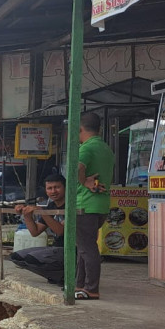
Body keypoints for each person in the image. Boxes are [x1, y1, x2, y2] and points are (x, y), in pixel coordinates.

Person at [75, 111, 114, 300]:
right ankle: (80, 285)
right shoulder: (106, 148)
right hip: (101, 205)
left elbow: (76, 169)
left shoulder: (85, 148)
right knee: (84, 246)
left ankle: (91, 288)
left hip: (86, 205)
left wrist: (85, 182)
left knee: (87, 248)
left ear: (79, 129)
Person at [10, 173, 66, 285]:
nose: (53, 191)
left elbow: (60, 231)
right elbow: (35, 232)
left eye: (57, 187)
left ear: (65, 187)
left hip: (71, 250)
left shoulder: (71, 205)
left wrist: (42, 212)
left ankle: (66, 276)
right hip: (56, 248)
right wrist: (26, 214)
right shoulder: (51, 206)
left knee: (33, 258)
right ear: (45, 190)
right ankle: (57, 276)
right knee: (17, 257)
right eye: (49, 188)